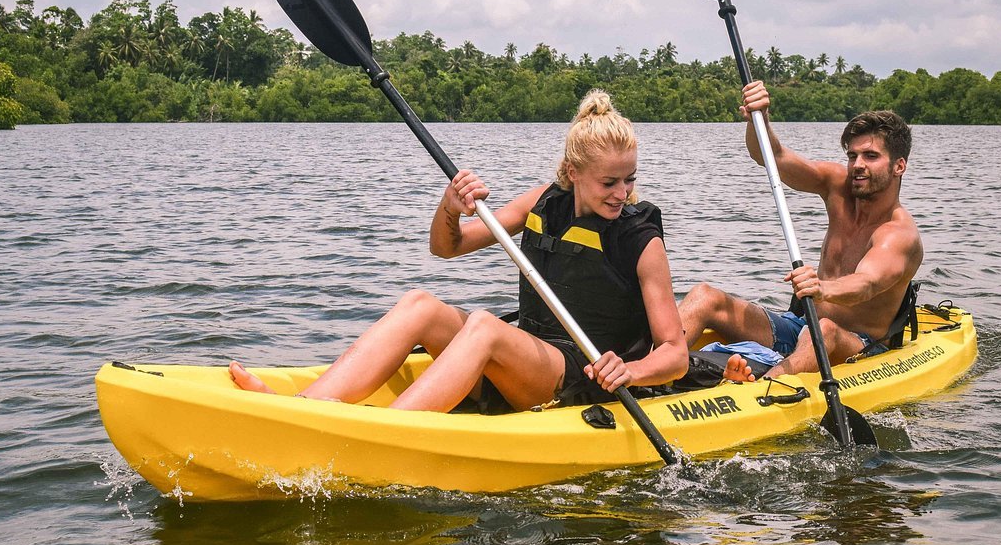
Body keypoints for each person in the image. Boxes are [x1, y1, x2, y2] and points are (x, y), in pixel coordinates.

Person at [229, 89, 689, 412]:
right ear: (571, 172)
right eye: (609, 182)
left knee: (486, 327)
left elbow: (675, 353)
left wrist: (630, 372)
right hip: (527, 357)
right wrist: (450, 207)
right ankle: (307, 407)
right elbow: (447, 248)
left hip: (581, 376)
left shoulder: (640, 238)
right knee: (421, 305)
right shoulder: (541, 203)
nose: (622, 192)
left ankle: (391, 429)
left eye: (629, 178)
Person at [681, 79, 922, 381]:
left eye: (870, 156)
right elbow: (772, 157)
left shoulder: (898, 234)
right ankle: (652, 368)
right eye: (852, 156)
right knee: (706, 297)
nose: (857, 165)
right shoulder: (837, 184)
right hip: (801, 326)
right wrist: (760, 118)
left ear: (899, 166)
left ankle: (763, 391)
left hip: (857, 345)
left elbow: (866, 284)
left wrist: (824, 288)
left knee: (825, 330)